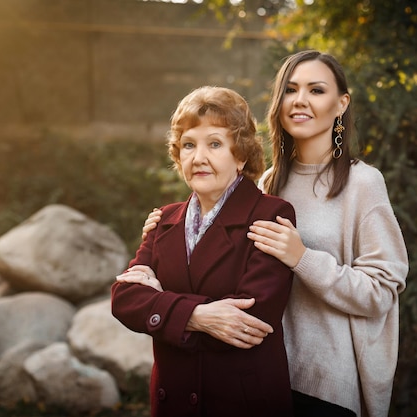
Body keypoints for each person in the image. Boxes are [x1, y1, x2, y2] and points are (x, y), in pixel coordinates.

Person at [140, 50, 409, 417]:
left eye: (316, 90)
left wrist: (303, 259)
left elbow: (381, 293)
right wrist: (165, 234)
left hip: (323, 384)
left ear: (341, 103)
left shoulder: (362, 183)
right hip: (260, 380)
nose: (300, 100)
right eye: (290, 90)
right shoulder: (267, 185)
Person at [111, 86, 296, 417]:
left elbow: (250, 322)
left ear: (240, 154)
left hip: (242, 403)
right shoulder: (164, 220)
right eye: (188, 145)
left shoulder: (270, 214)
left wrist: (161, 303)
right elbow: (124, 300)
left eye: (214, 144)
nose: (198, 158)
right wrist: (199, 317)